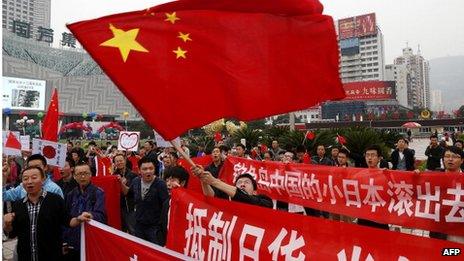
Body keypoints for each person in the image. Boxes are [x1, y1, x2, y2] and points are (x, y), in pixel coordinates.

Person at [3, 166, 71, 260]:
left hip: (50, 256)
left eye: (34, 177)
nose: (29, 181)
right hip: (25, 256)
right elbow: (12, 233)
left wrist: (79, 219)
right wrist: (7, 224)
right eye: (25, 179)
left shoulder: (55, 199)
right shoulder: (18, 204)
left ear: (43, 180)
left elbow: (67, 221)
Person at [121, 157, 169, 244]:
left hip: (155, 228)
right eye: (145, 169)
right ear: (139, 171)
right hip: (139, 225)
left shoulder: (160, 184)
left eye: (151, 168)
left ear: (154, 170)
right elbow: (128, 193)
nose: (148, 171)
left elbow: (165, 206)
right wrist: (121, 183)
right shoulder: (136, 181)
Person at [63, 162, 106, 260]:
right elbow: (66, 219)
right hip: (73, 241)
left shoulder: (98, 192)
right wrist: (64, 241)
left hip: (91, 240)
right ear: (74, 176)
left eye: (86, 173)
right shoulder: (70, 194)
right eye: (79, 174)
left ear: (91, 175)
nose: (83, 176)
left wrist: (91, 215)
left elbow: (101, 216)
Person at [193, 166, 273, 208]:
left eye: (247, 182)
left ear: (255, 192)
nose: (242, 184)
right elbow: (210, 198)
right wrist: (203, 179)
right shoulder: (227, 198)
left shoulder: (265, 200)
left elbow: (243, 196)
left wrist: (214, 181)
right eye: (239, 182)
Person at [429, 146, 464, 243]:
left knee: (457, 255)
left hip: (460, 231)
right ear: (443, 159)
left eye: (455, 156)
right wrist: (415, 177)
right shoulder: (433, 177)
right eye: (447, 156)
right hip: (439, 231)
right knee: (442, 255)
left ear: (462, 160)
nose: (450, 159)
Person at [357, 145, 390, 230]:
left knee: (382, 241)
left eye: (373, 155)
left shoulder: (386, 174)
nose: (369, 158)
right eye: (367, 155)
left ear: (379, 158)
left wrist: (415, 176)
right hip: (364, 216)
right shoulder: (359, 175)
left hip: (380, 216)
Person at [158, 166, 190, 246]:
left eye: (173, 180)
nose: (168, 184)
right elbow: (161, 226)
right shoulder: (166, 202)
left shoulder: (189, 204)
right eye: (167, 180)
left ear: (182, 183)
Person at [113, 154, 137, 235]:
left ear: (125, 161)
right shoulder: (113, 175)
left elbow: (128, 192)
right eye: (117, 161)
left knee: (132, 230)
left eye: (121, 160)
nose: (119, 163)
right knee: (120, 232)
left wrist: (121, 183)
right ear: (114, 163)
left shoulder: (133, 175)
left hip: (129, 207)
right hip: (118, 207)